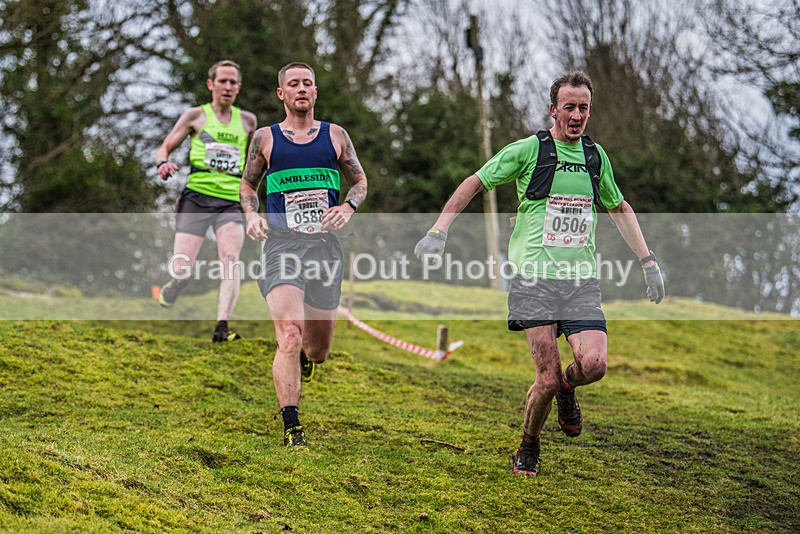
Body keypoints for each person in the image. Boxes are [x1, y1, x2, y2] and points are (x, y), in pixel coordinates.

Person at [414, 70, 665, 476]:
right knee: (544, 378)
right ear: (554, 109)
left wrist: (648, 262)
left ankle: (570, 387)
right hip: (533, 281)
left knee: (594, 365)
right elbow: (475, 182)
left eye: (584, 108)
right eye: (569, 107)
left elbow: (619, 208)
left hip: (581, 280)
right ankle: (529, 444)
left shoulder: (595, 158)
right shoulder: (529, 151)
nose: (577, 115)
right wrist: (438, 231)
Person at [240, 62, 368, 448]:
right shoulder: (265, 138)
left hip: (325, 248)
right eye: (293, 84)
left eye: (307, 84)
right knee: (289, 335)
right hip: (281, 245)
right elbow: (248, 184)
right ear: (281, 93)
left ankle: (306, 360)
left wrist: (347, 208)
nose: (301, 89)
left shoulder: (335, 136)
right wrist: (250, 214)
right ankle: (292, 426)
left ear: (315, 92)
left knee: (318, 349)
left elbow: (359, 180)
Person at [154, 60, 257, 342]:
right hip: (197, 197)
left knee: (231, 259)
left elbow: (253, 164)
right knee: (183, 267)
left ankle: (221, 327)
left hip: (230, 200)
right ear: (210, 84)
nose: (227, 87)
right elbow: (164, 147)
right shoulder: (195, 116)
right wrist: (163, 163)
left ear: (239, 87)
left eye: (233, 82)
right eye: (222, 81)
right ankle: (176, 285)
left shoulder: (248, 121)